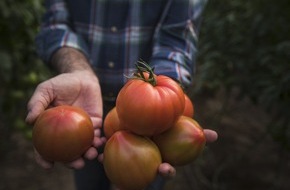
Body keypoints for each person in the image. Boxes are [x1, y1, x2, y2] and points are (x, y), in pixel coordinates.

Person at [26, 0, 218, 189]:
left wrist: (163, 99)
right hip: (83, 112)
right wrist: (77, 70)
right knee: (89, 180)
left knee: (147, 179)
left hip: (156, 134)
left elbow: (177, 38)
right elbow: (55, 25)